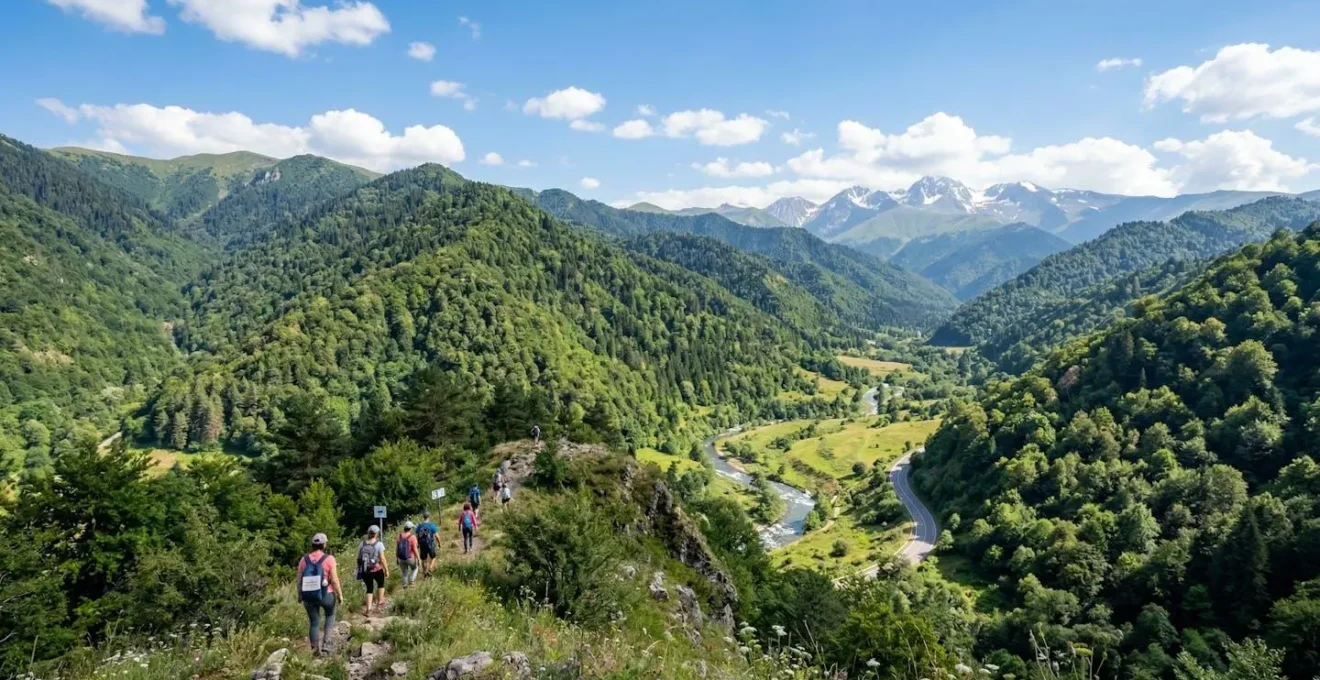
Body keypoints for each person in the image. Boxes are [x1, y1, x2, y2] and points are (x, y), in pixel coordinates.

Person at [297, 533, 342, 655]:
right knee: (330, 615)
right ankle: (327, 646)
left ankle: (315, 650)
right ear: (324, 544)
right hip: (326, 593)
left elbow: (299, 579)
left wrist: (299, 595)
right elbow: (334, 579)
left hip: (308, 595)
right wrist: (339, 595)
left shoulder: (304, 559)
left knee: (314, 622)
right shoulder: (329, 559)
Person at [356, 525, 389, 615]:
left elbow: (358, 558)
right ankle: (380, 604)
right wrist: (386, 569)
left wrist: (360, 569)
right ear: (377, 534)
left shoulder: (362, 544)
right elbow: (382, 558)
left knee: (369, 589)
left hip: (366, 570)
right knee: (381, 584)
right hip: (377, 569)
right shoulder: (379, 544)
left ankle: (368, 609)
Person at [396, 521, 420, 588]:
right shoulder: (412, 537)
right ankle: (412, 581)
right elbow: (415, 549)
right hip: (410, 557)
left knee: (404, 572)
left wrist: (397, 558)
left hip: (401, 558)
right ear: (410, 528)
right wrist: (418, 558)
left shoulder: (399, 536)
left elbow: (397, 548)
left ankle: (405, 585)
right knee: (415, 568)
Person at [417, 511, 439, 576]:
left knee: (423, 559)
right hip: (430, 544)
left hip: (422, 544)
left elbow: (417, 535)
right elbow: (437, 536)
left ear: (423, 517)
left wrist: (418, 544)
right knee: (433, 557)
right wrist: (439, 543)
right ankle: (430, 569)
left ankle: (424, 573)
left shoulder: (420, 525)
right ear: (429, 517)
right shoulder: (432, 525)